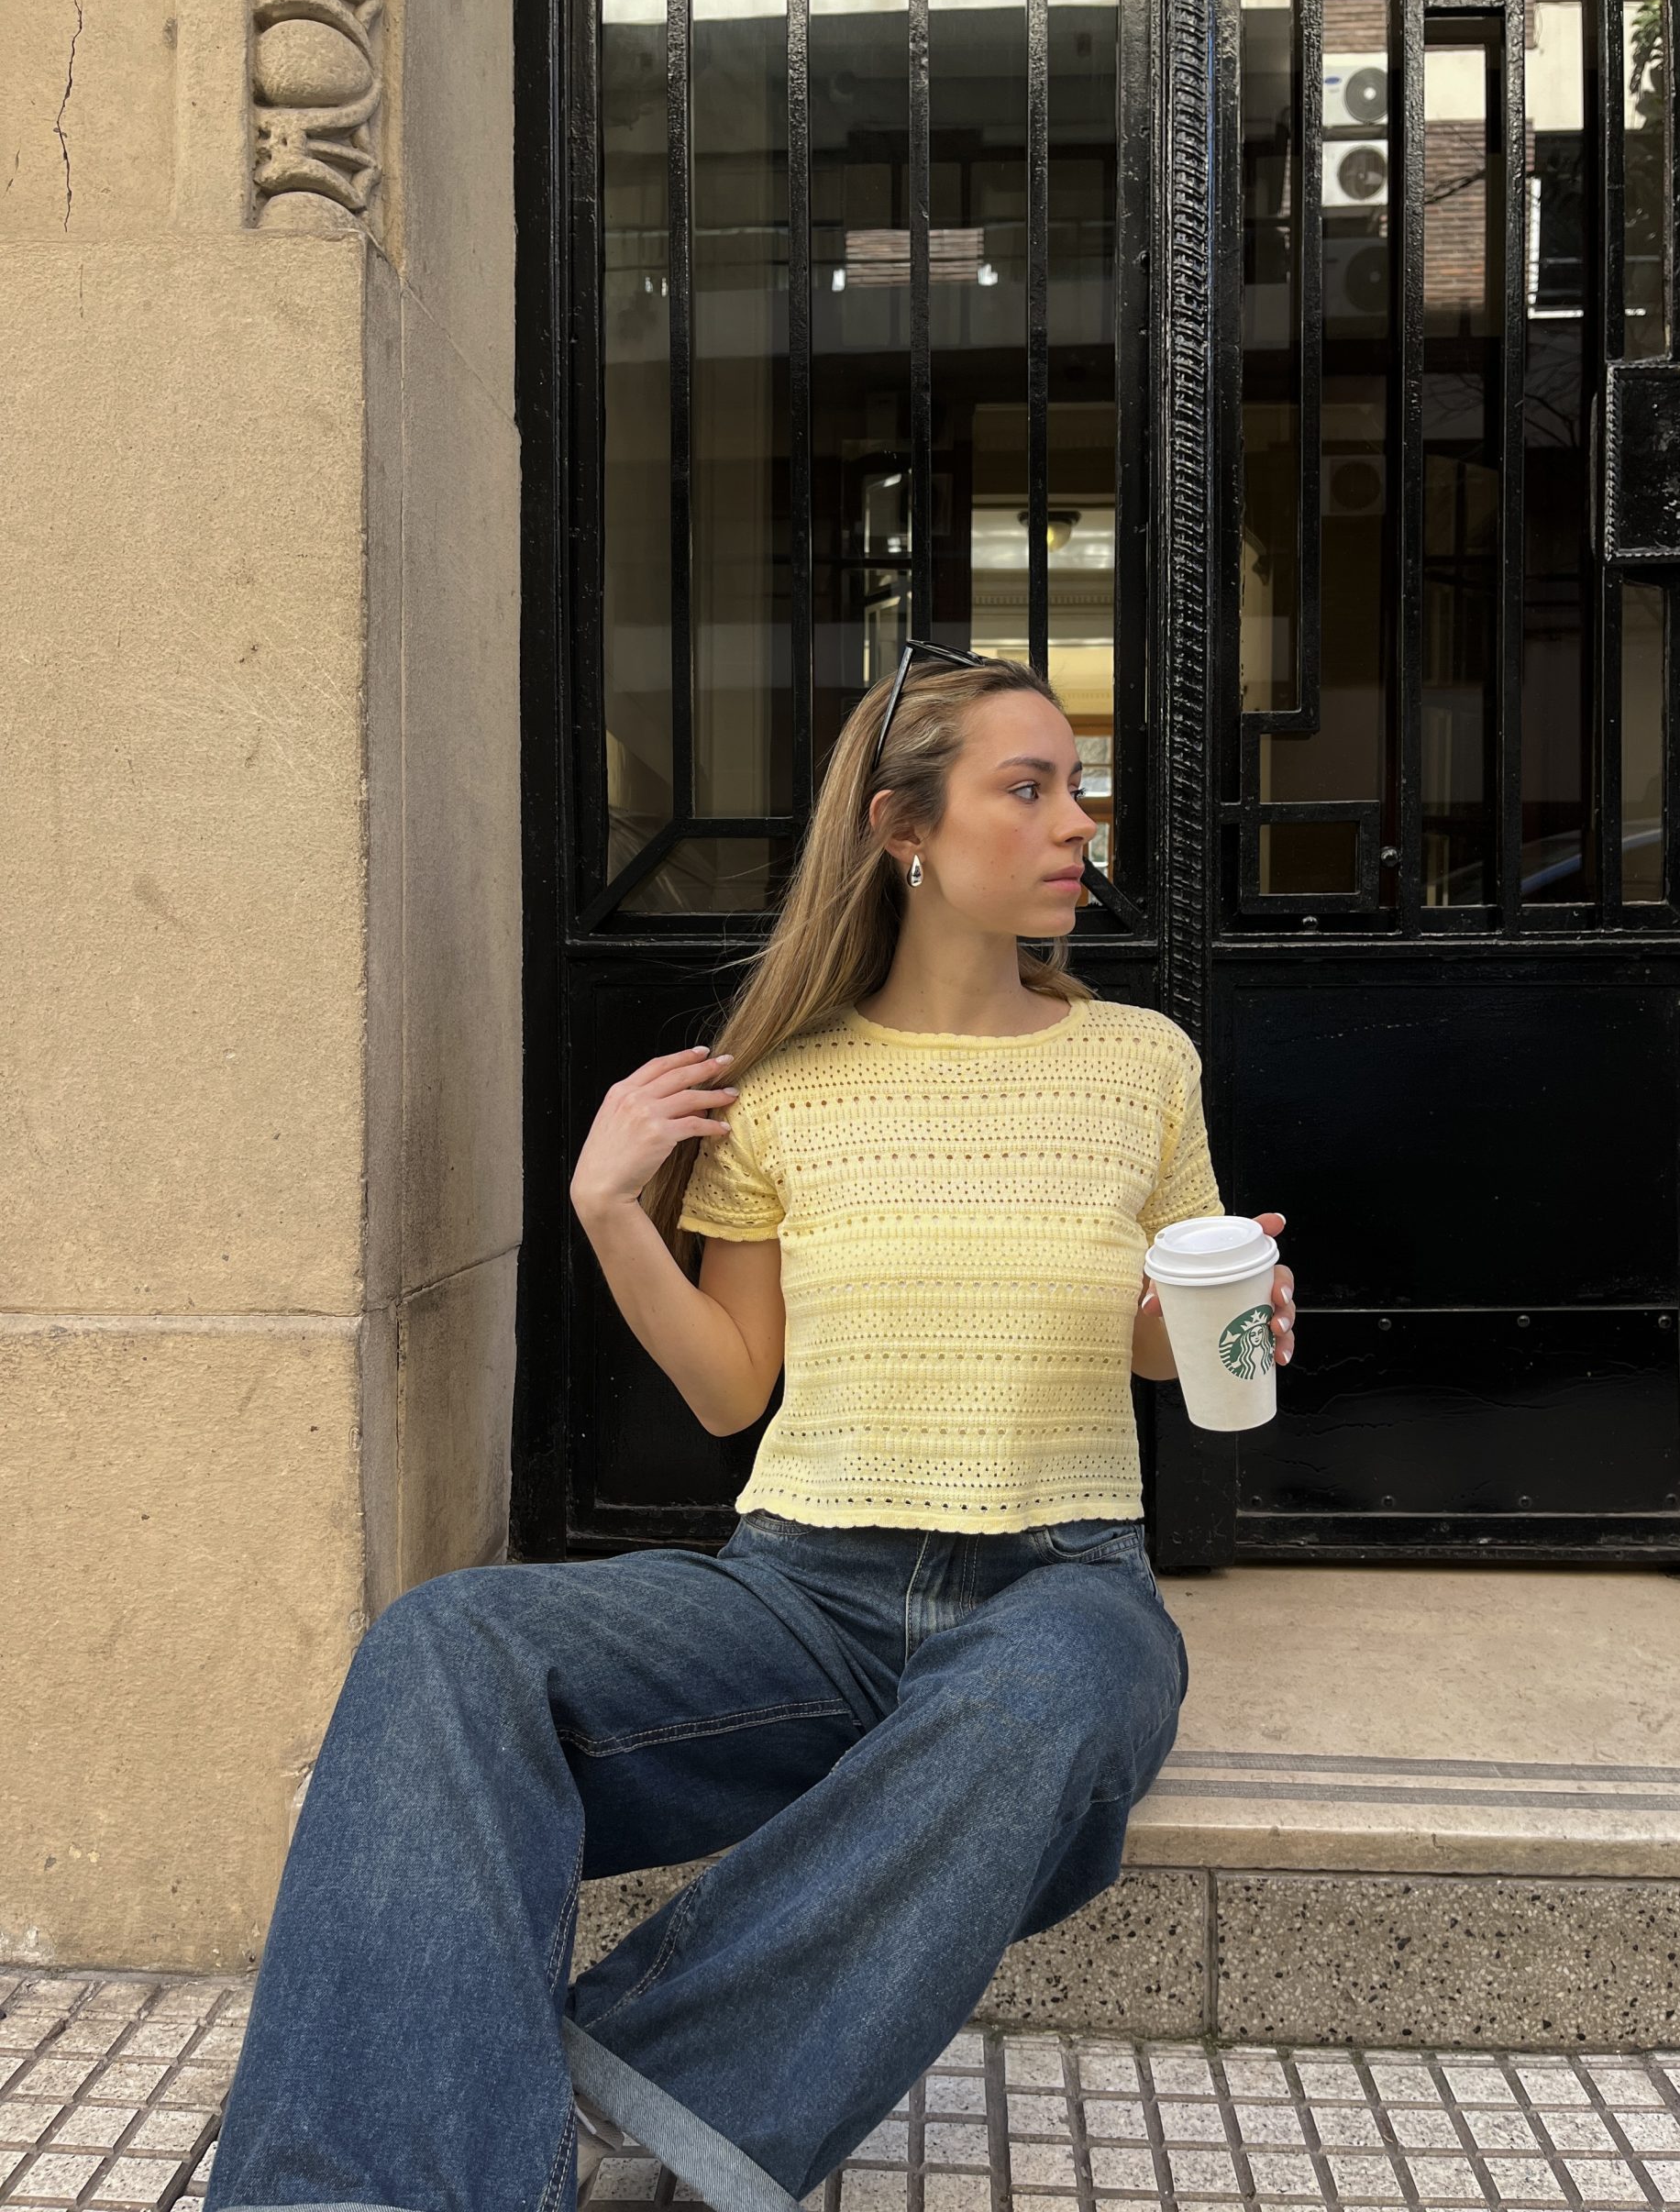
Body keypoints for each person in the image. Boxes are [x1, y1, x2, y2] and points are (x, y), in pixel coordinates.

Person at [203, 644, 1298, 2212]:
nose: (1079, 822)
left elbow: (1163, 1343)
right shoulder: (783, 1089)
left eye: (1077, 787)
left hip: (1063, 1585)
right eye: (1029, 786)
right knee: (450, 1644)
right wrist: (607, 1207)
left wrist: (1233, 1312)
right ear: (903, 828)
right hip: (804, 1594)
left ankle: (639, 2085)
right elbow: (731, 1389)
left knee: (1043, 1696)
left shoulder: (1141, 1063)